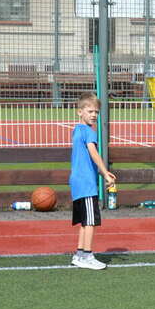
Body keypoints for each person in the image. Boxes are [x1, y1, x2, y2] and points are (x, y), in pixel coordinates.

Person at [69, 92, 117, 269]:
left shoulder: (77, 130)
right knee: (90, 221)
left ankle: (80, 254)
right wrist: (105, 172)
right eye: (90, 111)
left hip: (77, 182)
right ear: (79, 112)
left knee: (84, 221)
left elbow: (86, 158)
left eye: (96, 112)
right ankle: (87, 256)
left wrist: (102, 173)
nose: (94, 115)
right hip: (86, 183)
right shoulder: (89, 132)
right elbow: (94, 153)